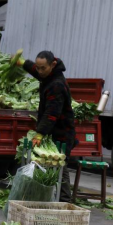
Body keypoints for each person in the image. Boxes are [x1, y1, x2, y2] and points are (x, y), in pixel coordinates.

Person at [17, 51, 77, 202]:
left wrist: (40, 133)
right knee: (49, 166)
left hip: (62, 133)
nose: (40, 71)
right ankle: (44, 198)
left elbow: (51, 113)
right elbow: (36, 71)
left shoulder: (56, 85)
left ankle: (64, 201)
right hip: (54, 131)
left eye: (43, 68)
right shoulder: (48, 75)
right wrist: (23, 63)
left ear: (53, 65)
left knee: (60, 166)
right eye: (38, 67)